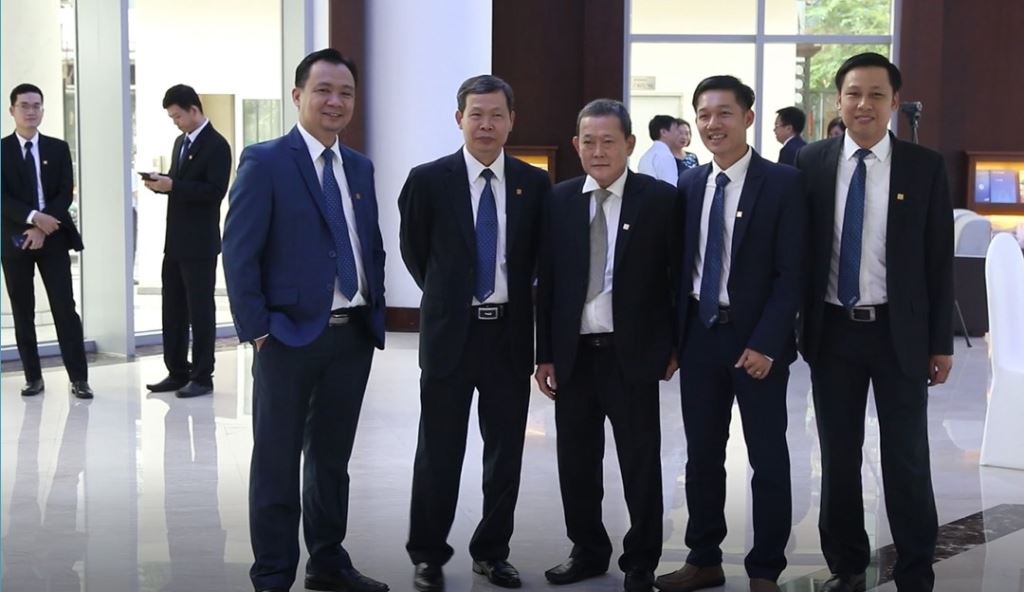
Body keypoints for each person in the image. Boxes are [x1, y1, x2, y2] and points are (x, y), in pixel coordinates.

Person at [223, 48, 388, 592]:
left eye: (345, 92)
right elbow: (239, 253)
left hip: (351, 335)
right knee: (276, 460)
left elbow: (369, 244)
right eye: (323, 90)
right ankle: (273, 574)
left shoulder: (359, 166)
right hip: (286, 338)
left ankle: (328, 562)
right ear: (298, 95)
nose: (335, 101)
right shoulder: (265, 161)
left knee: (331, 461)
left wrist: (374, 306)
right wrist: (258, 330)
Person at [794, 52, 953, 592]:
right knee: (838, 458)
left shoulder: (923, 167)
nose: (864, 104)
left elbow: (938, 260)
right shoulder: (811, 163)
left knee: (906, 458)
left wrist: (940, 343)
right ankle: (846, 566)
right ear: (838, 101)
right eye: (854, 93)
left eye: (877, 94)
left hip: (898, 333)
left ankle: (915, 570)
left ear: (894, 102)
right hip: (833, 330)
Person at [398, 74, 551, 591]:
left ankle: (491, 552)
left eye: (496, 115)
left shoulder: (534, 184)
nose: (486, 124)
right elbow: (416, 253)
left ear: (512, 121)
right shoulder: (427, 180)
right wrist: (450, 296)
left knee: (505, 452)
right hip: (451, 335)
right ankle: (427, 554)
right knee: (438, 450)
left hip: (509, 335)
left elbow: (539, 260)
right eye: (476, 114)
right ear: (458, 118)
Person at [654, 76, 805, 592]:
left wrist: (766, 343)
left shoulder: (782, 183)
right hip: (701, 335)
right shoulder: (689, 184)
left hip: (756, 341)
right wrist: (675, 341)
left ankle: (765, 569)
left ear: (748, 118)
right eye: (703, 114)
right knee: (701, 455)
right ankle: (704, 558)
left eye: (724, 113)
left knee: (767, 457)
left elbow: (792, 273)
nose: (712, 124)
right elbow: (679, 270)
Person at [535, 98, 679, 592]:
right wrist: (545, 353)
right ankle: (588, 550)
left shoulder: (659, 200)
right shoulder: (558, 200)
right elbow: (547, 283)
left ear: (629, 144)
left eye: (609, 141)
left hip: (631, 354)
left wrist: (673, 346)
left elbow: (675, 279)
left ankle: (641, 560)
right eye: (589, 142)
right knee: (576, 461)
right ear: (576, 145)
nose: (598, 151)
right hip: (574, 354)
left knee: (640, 461)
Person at [1, 83, 92, 399]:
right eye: (24, 105)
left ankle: (79, 379)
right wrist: (32, 218)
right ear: (12, 110)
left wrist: (42, 226)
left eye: (36, 105)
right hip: (15, 239)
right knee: (22, 309)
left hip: (52, 236)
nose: (31, 111)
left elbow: (65, 192)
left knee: (65, 308)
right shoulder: (2, 150)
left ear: (42, 109)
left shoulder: (58, 148)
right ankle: (33, 377)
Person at [144, 84, 232, 398]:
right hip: (175, 241)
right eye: (172, 118)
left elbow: (214, 192)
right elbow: (178, 182)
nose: (176, 123)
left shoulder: (217, 145)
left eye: (178, 116)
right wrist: (161, 184)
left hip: (200, 243)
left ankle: (202, 375)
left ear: (194, 110)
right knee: (173, 308)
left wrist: (174, 186)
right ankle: (177, 370)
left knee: (200, 310)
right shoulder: (180, 142)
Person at [637, 114, 682, 185]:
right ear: (663, 132)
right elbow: (671, 187)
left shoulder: (646, 155)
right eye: (676, 130)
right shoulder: (665, 155)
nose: (679, 134)